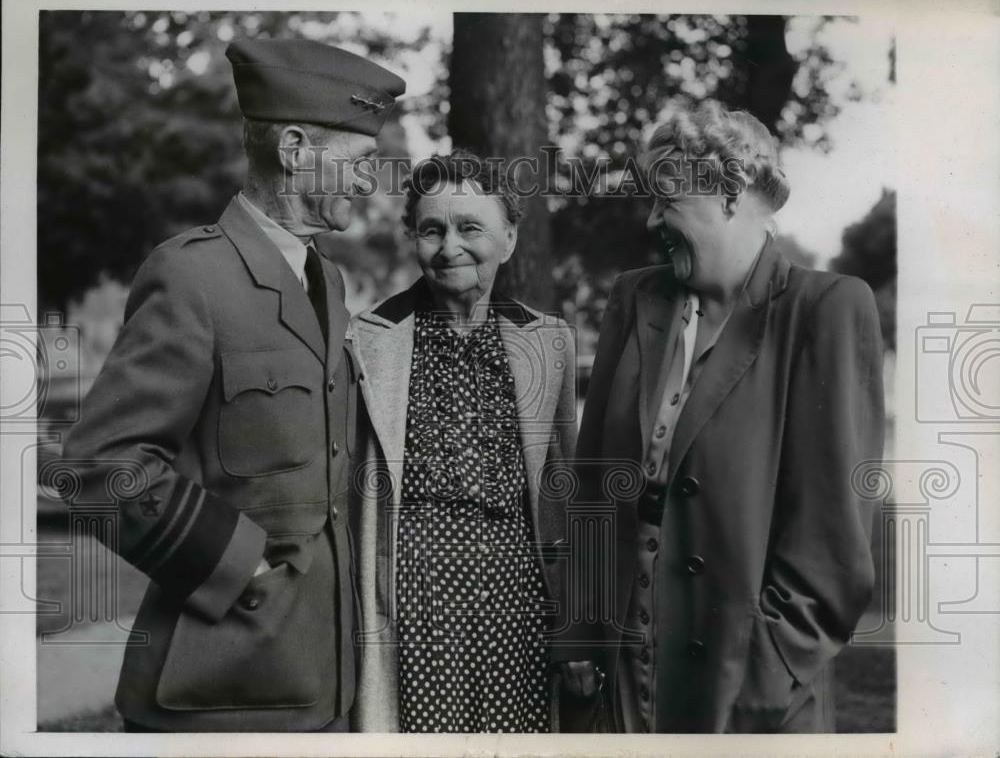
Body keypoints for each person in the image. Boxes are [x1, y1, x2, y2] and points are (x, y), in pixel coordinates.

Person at [60, 38, 405, 732]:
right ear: (296, 147)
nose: (372, 183)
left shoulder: (328, 279)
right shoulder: (192, 276)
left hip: (324, 680)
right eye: (361, 163)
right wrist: (236, 564)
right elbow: (97, 468)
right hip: (220, 683)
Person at [559, 100, 884, 733]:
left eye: (666, 201)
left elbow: (834, 541)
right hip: (625, 668)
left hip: (745, 684)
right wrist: (579, 630)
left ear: (728, 195)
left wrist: (768, 673)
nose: (653, 219)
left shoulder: (826, 309)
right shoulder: (635, 297)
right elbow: (594, 482)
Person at [349, 151, 578, 732]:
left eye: (470, 227)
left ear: (510, 236)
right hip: (413, 600)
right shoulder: (369, 341)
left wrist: (577, 626)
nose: (450, 246)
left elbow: (566, 494)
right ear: (414, 240)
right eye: (432, 230)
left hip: (519, 602)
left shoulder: (548, 343)